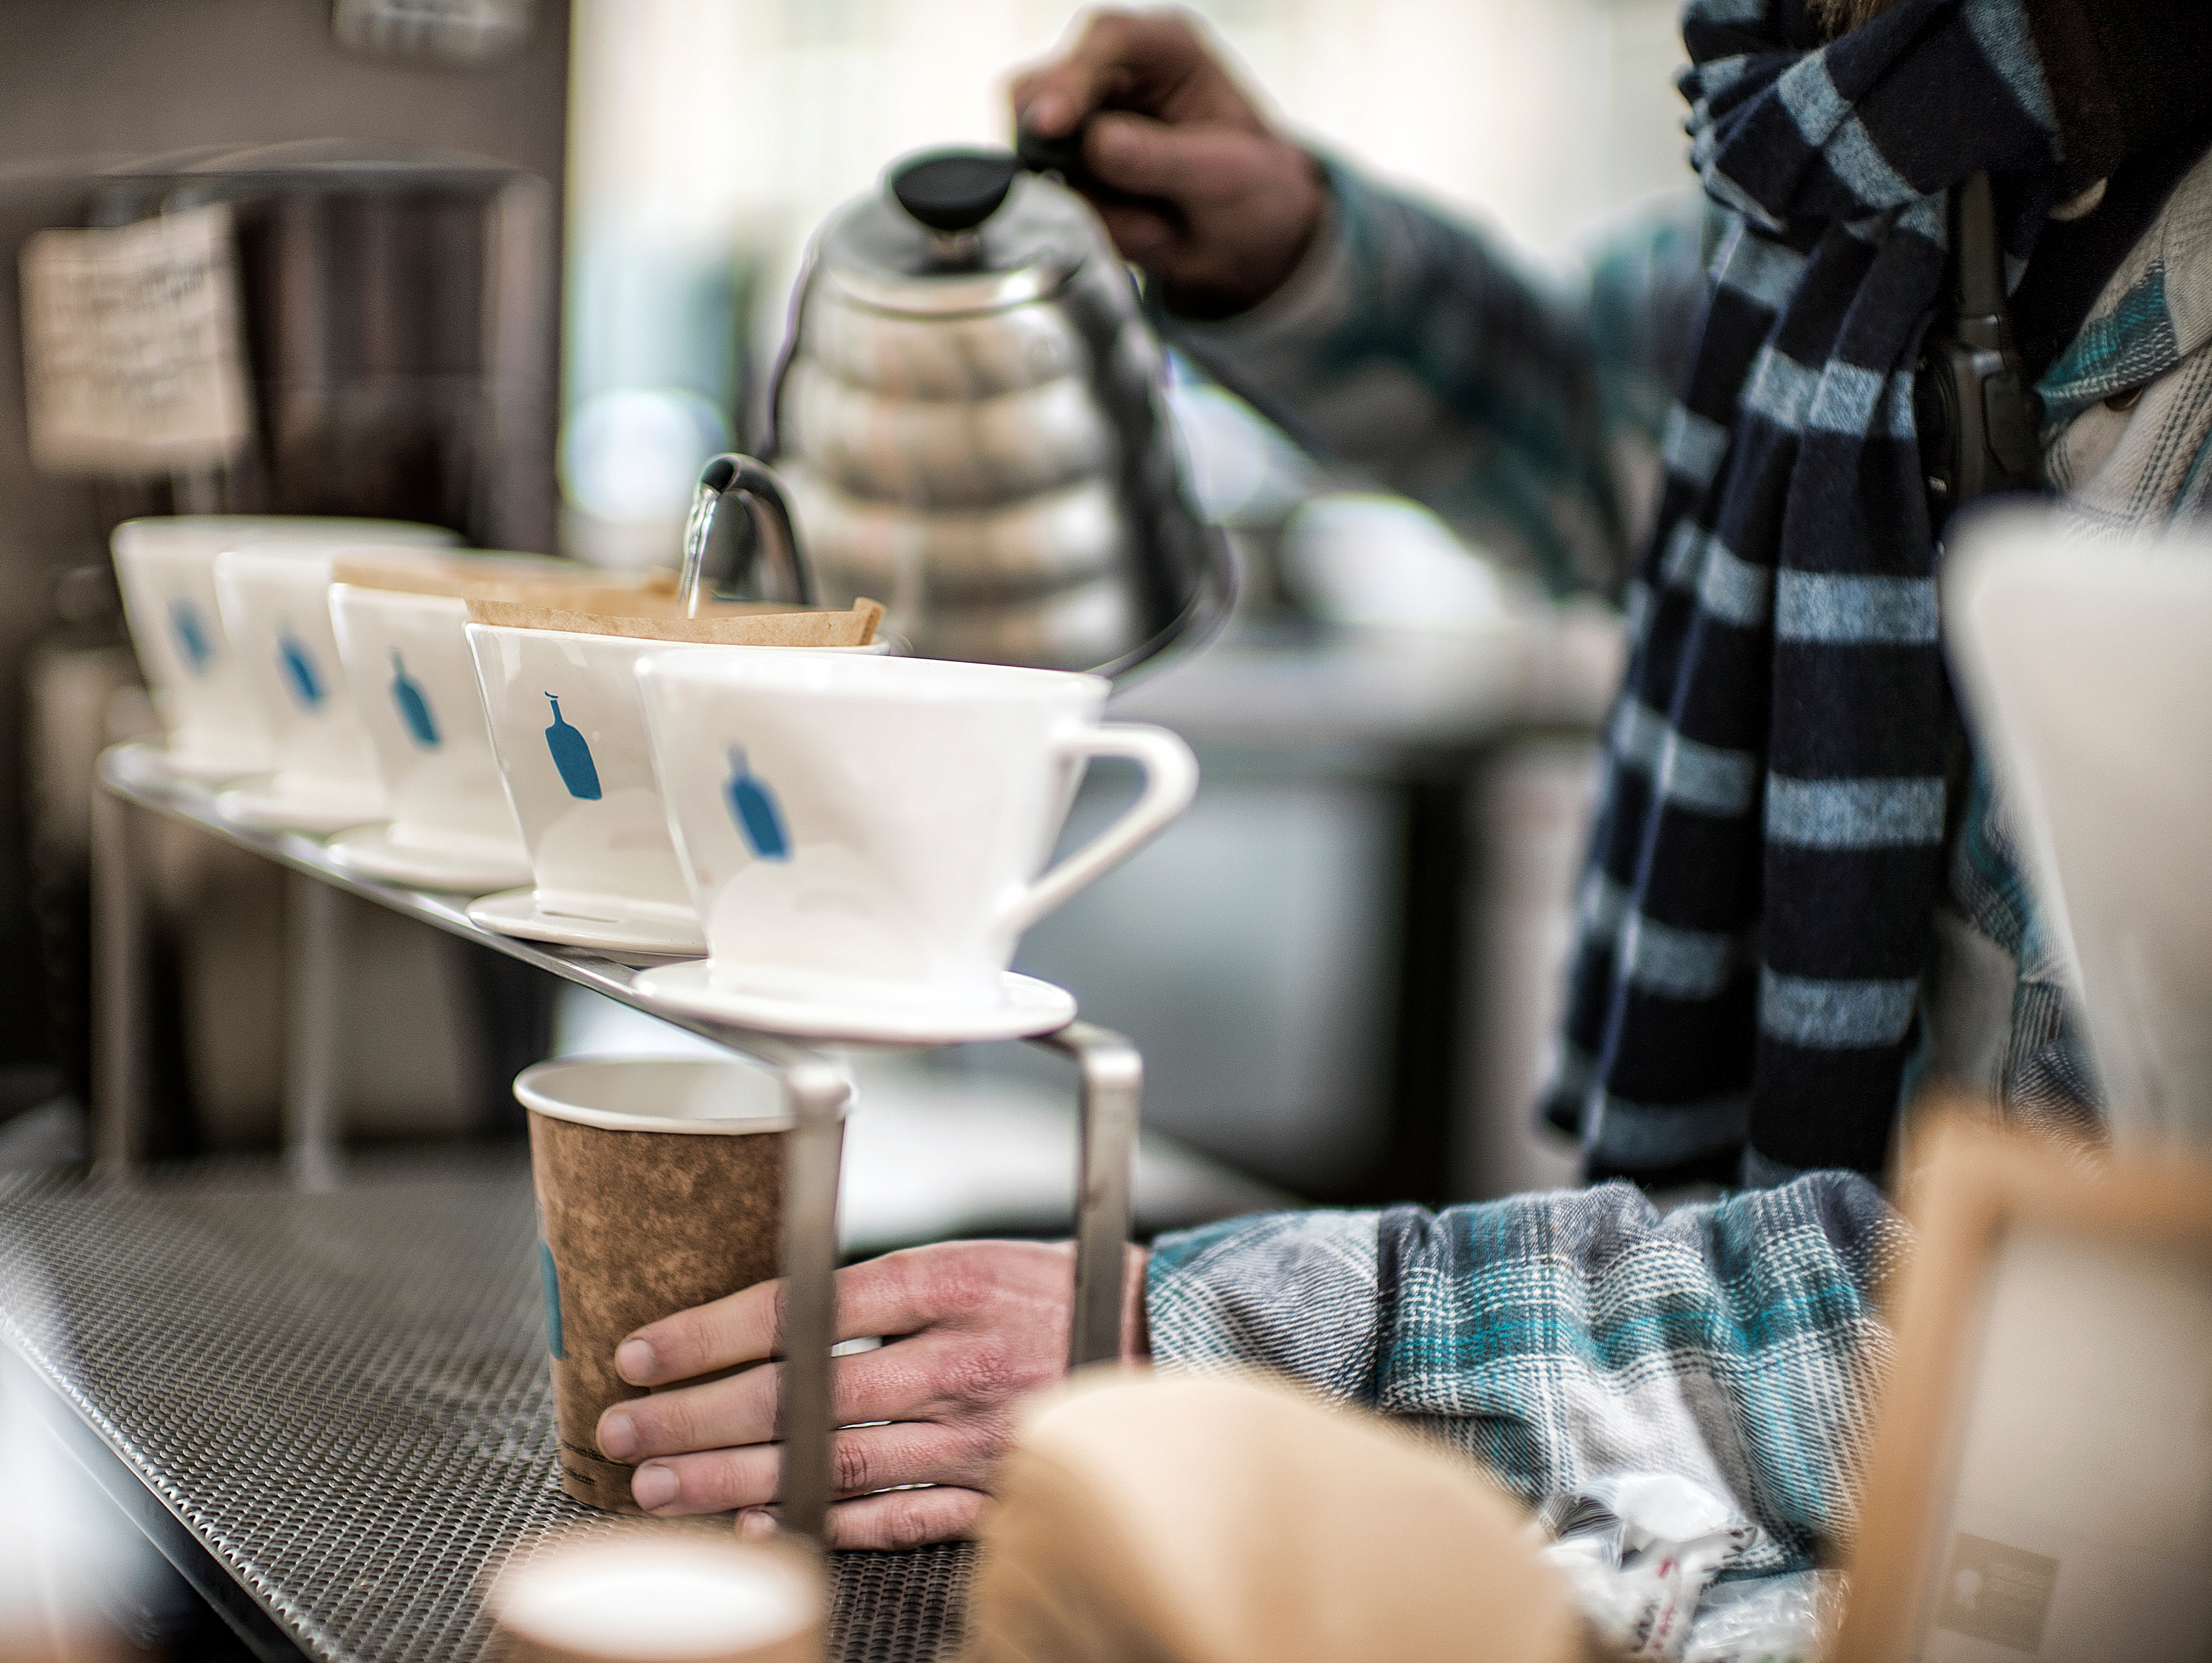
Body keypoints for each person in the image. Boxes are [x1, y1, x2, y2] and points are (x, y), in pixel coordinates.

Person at [591, 0, 2212, 1555]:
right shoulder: (1857, 185)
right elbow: (1607, 419)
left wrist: (1244, 1341)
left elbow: (2107, 1323)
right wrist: (1298, 249)